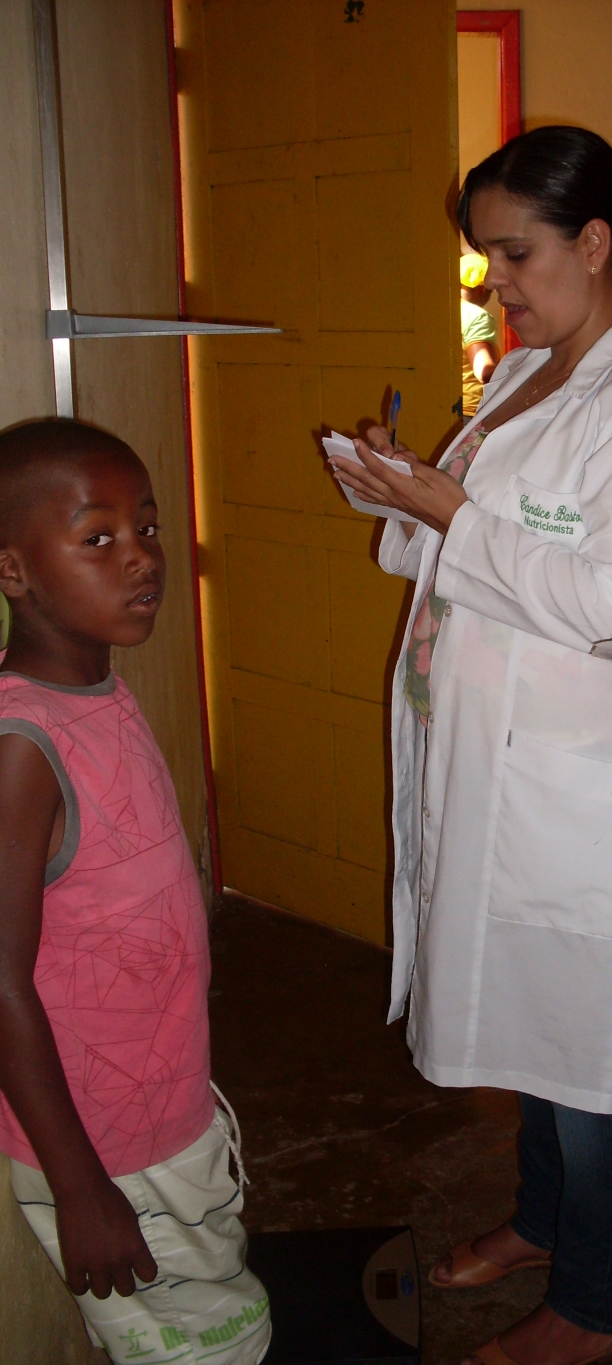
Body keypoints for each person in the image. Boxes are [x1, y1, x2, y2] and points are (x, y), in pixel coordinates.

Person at [329, 126, 612, 1365]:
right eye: (485, 257)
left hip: (574, 780)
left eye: (513, 254)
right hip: (486, 752)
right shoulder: (521, 374)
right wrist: (401, 489)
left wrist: (453, 513)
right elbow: (465, 536)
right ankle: (543, 1223)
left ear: (594, 243)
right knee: (534, 1031)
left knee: (587, 1053)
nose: (493, 281)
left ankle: (596, 1304)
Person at [0, 421, 270, 1365]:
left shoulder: (99, 691)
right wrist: (80, 1185)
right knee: (210, 1350)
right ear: (14, 571)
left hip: (165, 1112)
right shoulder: (22, 747)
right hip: (108, 1153)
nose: (142, 557)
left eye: (147, 528)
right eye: (98, 537)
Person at [461, 251, 501, 417]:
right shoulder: (477, 316)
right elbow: (485, 371)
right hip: (471, 410)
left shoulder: (441, 313)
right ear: (483, 289)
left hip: (445, 405)